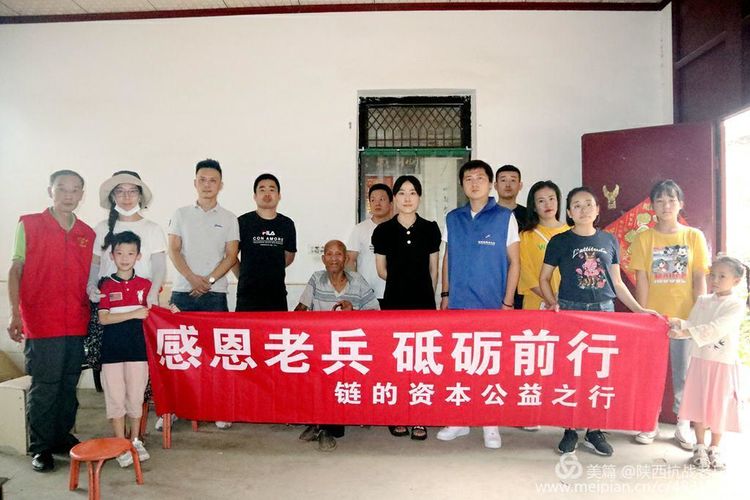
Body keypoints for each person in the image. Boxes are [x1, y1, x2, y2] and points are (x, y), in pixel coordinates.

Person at [539, 186, 656, 457]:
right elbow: (543, 278)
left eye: (588, 204)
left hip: (604, 311)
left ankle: (594, 430)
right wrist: (552, 302)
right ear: (569, 212)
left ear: (597, 209)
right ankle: (570, 429)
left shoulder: (609, 240)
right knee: (571, 372)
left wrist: (639, 310)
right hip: (571, 310)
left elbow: (617, 283)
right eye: (577, 205)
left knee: (599, 372)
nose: (583, 209)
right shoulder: (559, 241)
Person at [7, 170, 94, 472]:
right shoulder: (30, 224)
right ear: (50, 191)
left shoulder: (86, 233)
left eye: (75, 189)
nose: (68, 195)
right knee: (45, 385)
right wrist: (15, 312)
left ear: (82, 194)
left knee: (69, 384)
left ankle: (60, 437)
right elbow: (16, 269)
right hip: (41, 321)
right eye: (62, 188)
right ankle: (41, 447)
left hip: (76, 321)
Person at [436, 160, 520, 449]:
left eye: (480, 178)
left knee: (488, 365)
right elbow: (448, 257)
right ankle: (459, 420)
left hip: (491, 304)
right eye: (468, 178)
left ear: (490, 183)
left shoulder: (504, 217)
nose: (474, 183)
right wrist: (445, 294)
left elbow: (515, 262)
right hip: (458, 303)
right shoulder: (453, 218)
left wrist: (508, 302)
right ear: (462, 185)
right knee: (459, 364)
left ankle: (490, 423)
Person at [630, 180, 710, 448]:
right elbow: (641, 279)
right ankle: (648, 422)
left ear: (681, 204)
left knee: (684, 374)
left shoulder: (694, 236)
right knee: (650, 372)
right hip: (654, 318)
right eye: (660, 201)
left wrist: (698, 314)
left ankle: (682, 424)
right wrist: (643, 314)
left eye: (671, 200)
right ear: (652, 206)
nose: (666, 206)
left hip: (685, 318)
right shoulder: (644, 238)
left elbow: (699, 277)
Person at [167, 158, 239, 429]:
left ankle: (218, 408)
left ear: (221, 185)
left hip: (215, 293)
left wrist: (207, 281)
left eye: (213, 180)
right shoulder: (181, 214)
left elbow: (231, 256)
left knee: (216, 354)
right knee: (178, 355)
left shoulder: (229, 218)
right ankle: (174, 408)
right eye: (202, 180)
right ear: (194, 183)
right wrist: (191, 278)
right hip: (182, 292)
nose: (207, 185)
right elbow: (174, 249)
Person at [372, 175, 441, 441]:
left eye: (412, 192)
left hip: (424, 303)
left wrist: (427, 294)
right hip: (394, 302)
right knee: (396, 360)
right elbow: (381, 270)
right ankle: (397, 413)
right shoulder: (383, 231)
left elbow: (434, 269)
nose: (407, 198)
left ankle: (420, 415)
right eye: (401, 193)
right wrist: (404, 280)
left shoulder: (430, 229)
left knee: (422, 360)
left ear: (419, 197)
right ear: (395, 198)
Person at [85, 171, 166, 397]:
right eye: (120, 191)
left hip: (141, 305)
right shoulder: (101, 228)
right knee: (111, 372)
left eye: (132, 191)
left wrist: (152, 293)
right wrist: (91, 286)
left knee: (140, 369)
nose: (127, 197)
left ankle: (137, 417)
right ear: (112, 196)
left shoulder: (152, 228)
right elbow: (94, 264)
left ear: (140, 195)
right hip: (108, 307)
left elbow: (159, 266)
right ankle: (117, 416)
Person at [294, 240, 380, 451]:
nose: (334, 258)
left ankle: (324, 428)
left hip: (349, 348)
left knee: (336, 377)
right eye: (329, 254)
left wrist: (354, 312)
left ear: (346, 258)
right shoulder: (316, 279)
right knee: (314, 374)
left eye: (339, 254)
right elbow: (301, 309)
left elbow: (375, 313)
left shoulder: (358, 281)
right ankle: (321, 424)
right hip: (320, 347)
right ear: (323, 258)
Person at [667, 255, 748, 470]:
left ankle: (715, 447)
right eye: (713, 275)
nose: (715, 280)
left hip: (723, 363)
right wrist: (679, 323)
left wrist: (686, 331)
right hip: (700, 360)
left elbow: (717, 328)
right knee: (699, 403)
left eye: (722, 276)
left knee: (719, 405)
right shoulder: (703, 300)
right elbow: (694, 323)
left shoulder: (736, 305)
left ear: (736, 280)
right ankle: (700, 445)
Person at [96, 231, 152, 468]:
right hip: (112, 353)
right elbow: (104, 318)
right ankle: (120, 444)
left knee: (136, 397)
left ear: (138, 256)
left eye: (130, 253)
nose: (125, 258)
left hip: (138, 351)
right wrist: (134, 313)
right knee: (116, 398)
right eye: (119, 253)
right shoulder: (106, 285)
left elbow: (153, 312)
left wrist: (171, 311)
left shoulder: (146, 285)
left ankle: (136, 441)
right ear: (112, 255)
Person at [234, 173, 296, 312]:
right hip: (247, 296)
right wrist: (244, 275)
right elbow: (231, 256)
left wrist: (271, 269)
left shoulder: (286, 224)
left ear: (279, 196)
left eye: (272, 189)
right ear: (255, 196)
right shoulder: (243, 222)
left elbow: (289, 256)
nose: (267, 193)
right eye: (262, 189)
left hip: (277, 295)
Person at [518, 181, 570, 310]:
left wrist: (562, 300)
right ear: (534, 207)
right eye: (541, 201)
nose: (548, 204)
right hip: (536, 303)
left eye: (551, 199)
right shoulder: (525, 236)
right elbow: (525, 273)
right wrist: (551, 299)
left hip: (568, 302)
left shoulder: (572, 232)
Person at [346, 183, 393, 305]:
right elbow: (350, 260)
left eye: (382, 199)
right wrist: (355, 287)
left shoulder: (397, 228)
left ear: (391, 203)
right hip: (367, 294)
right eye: (373, 200)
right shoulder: (360, 229)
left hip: (395, 292)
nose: (377, 203)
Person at [495, 164, 526, 310]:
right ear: (495, 185)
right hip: (495, 281)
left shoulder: (530, 216)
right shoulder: (487, 216)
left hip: (525, 283)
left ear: (520, 185)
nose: (508, 185)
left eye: (513, 180)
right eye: (503, 180)